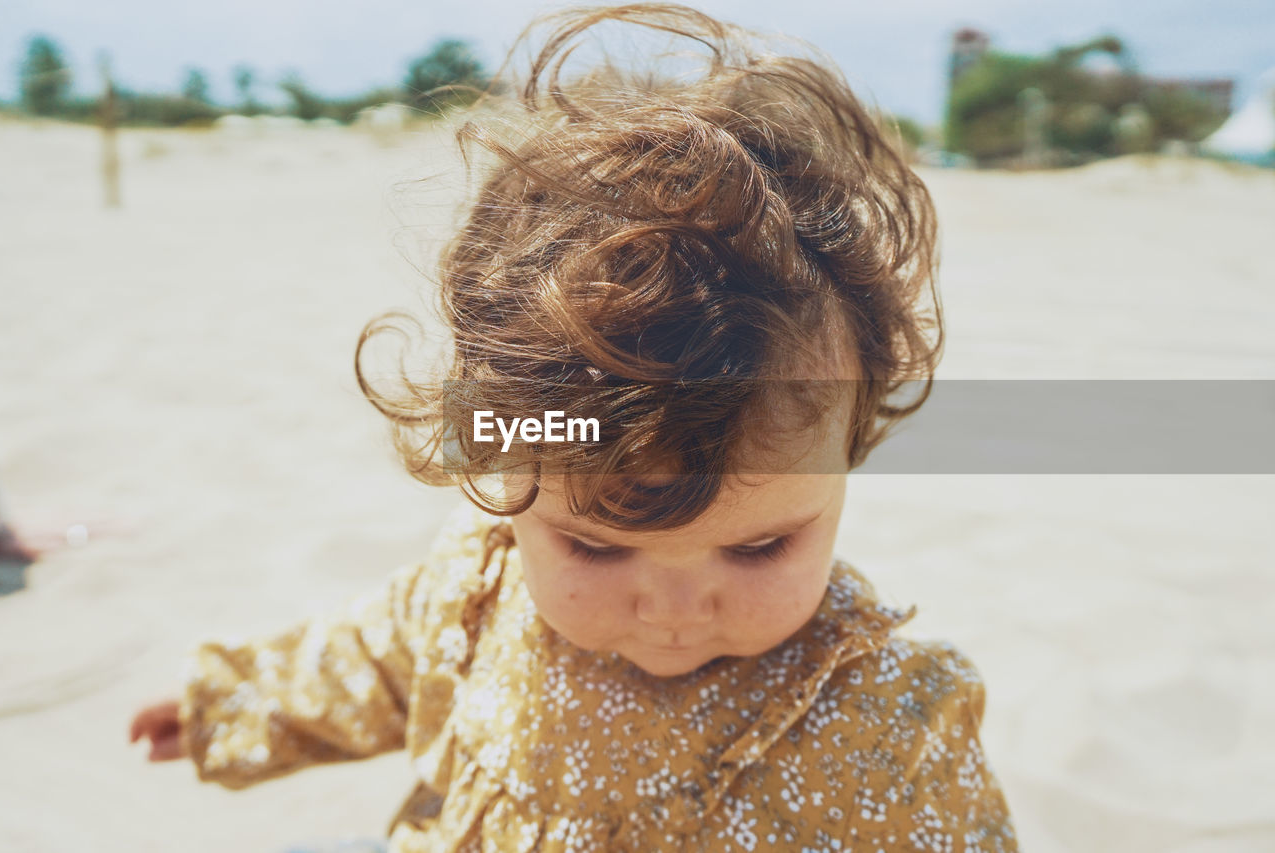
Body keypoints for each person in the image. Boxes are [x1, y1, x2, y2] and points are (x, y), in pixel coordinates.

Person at [130, 5, 1018, 850]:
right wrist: (232, 703)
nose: (674, 611)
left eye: (759, 548)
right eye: (596, 549)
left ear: (847, 453)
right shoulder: (479, 586)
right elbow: (376, 661)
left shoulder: (886, 724)